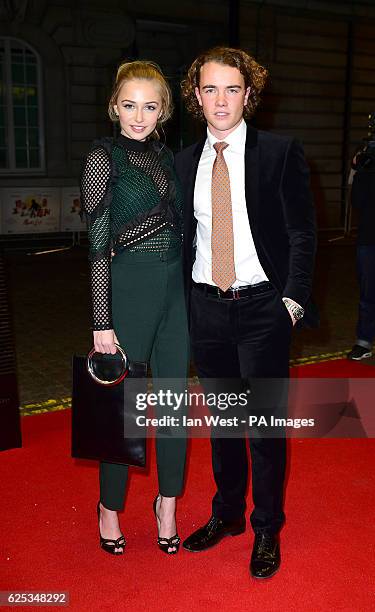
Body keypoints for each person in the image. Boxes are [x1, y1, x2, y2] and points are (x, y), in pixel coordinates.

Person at [175, 47, 317, 579]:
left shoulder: (280, 153)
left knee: (262, 427)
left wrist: (293, 299)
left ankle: (265, 528)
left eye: (231, 88)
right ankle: (227, 515)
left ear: (249, 95)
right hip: (205, 308)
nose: (220, 99)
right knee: (224, 426)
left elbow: (303, 231)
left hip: (263, 308)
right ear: (195, 97)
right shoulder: (184, 161)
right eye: (209, 89)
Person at [81, 60, 189, 555]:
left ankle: (167, 503)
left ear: (163, 109)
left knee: (172, 404)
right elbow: (98, 243)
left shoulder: (170, 160)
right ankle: (109, 507)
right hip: (126, 289)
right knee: (119, 407)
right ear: (114, 106)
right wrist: (102, 322)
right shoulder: (103, 158)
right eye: (129, 105)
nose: (138, 116)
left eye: (149, 106)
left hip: (176, 293)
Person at [347, 136, 375, 361]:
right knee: (368, 294)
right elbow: (357, 201)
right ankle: (363, 342)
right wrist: (359, 171)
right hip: (368, 239)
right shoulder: (365, 166)